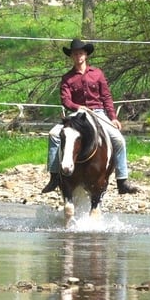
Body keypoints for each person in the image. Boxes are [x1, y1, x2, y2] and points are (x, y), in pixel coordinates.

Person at [41, 38, 140, 195]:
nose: (78, 56)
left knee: (119, 140)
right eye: (75, 54)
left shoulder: (97, 74)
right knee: (53, 134)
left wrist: (113, 117)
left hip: (98, 112)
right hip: (77, 114)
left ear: (86, 55)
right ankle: (54, 177)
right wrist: (77, 107)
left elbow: (106, 96)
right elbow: (65, 99)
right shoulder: (67, 78)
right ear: (72, 56)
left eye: (81, 53)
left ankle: (122, 180)